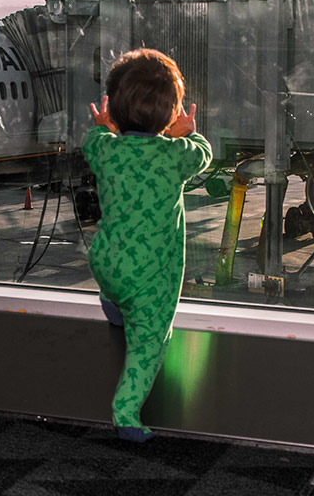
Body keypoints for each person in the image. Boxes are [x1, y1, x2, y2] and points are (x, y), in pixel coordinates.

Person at [83, 48, 212, 443]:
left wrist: (105, 125)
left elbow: (94, 138)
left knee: (120, 293)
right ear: (171, 113)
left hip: (106, 262)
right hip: (148, 275)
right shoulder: (175, 155)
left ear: (114, 107)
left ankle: (113, 302)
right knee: (150, 342)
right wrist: (186, 132)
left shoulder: (105, 149)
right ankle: (126, 413)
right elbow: (203, 156)